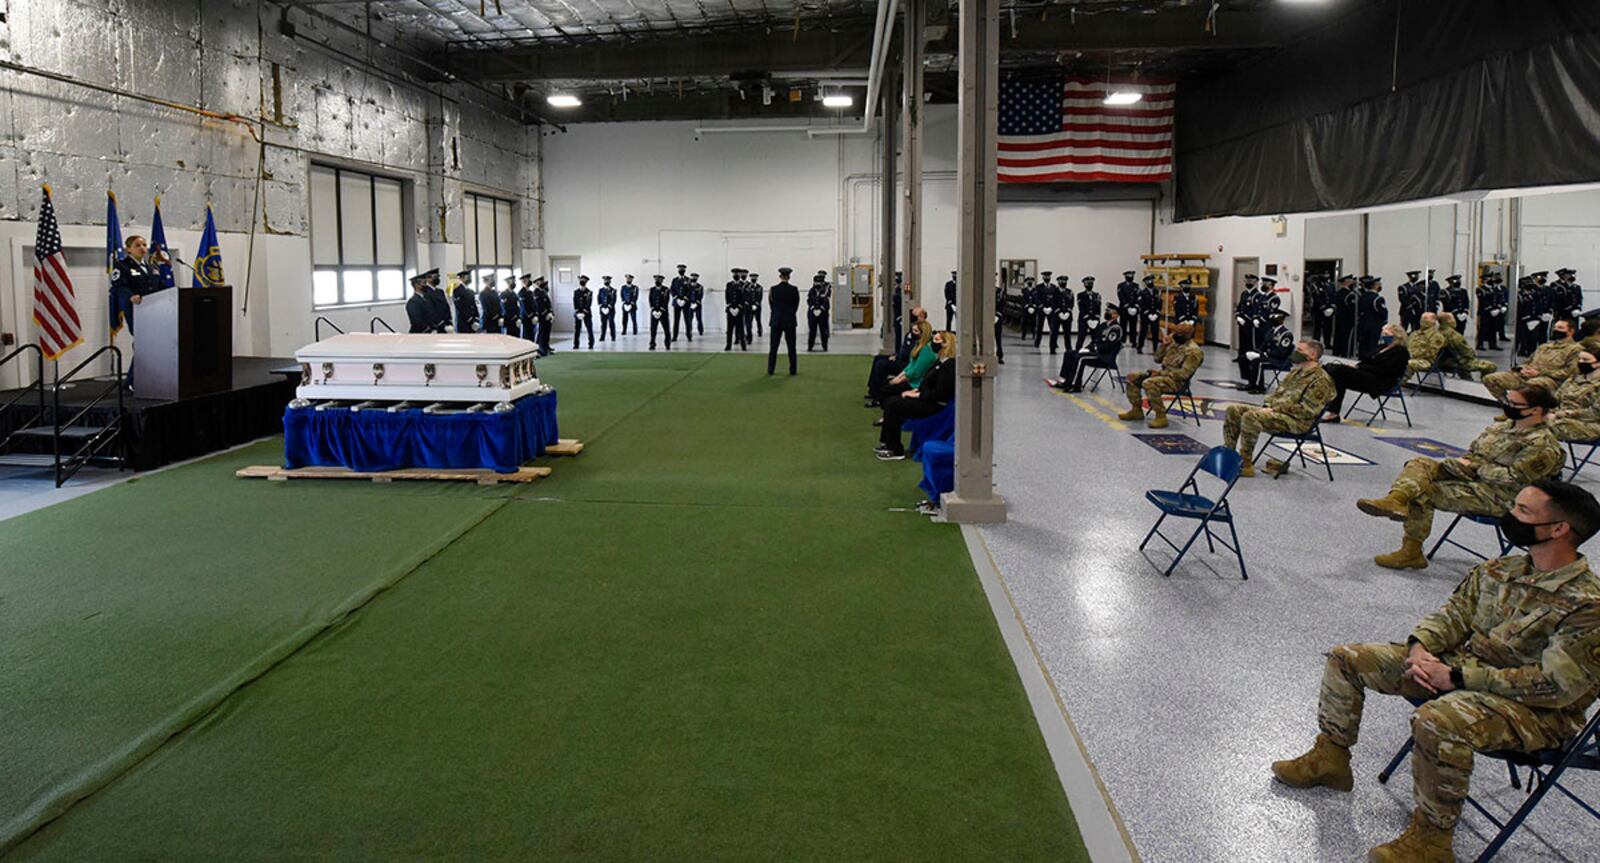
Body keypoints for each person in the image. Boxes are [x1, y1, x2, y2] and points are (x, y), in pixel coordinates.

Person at [1272, 479, 1600, 863]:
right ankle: (1330, 759)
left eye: (1523, 512)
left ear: (1560, 529)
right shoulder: (1502, 569)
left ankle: (1431, 840)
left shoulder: (1587, 605)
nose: (1510, 516)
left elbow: (1556, 687)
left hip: (1538, 714)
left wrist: (1458, 678)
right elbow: (1452, 616)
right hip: (1462, 673)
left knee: (1438, 719)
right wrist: (1420, 649)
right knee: (1348, 658)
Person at [1356, 384, 1565, 569]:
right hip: (1474, 477)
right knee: (1420, 463)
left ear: (1535, 410)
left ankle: (1411, 552)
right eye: (1507, 400)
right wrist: (1467, 464)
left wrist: (1476, 468)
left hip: (1502, 496)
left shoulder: (1542, 444)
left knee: (1423, 492)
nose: (1507, 405)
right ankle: (1395, 500)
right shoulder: (1503, 426)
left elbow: (1514, 478)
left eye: (1514, 403)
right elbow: (1474, 451)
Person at [1221, 339, 1336, 477]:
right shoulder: (1296, 372)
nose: (1295, 353)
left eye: (1300, 350)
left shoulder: (1321, 380)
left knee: (1250, 417)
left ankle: (1245, 464)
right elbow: (1275, 395)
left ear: (1312, 355)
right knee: (1233, 409)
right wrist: (1269, 406)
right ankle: (1229, 453)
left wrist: (1275, 409)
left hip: (1298, 422)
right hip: (1278, 413)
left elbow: (1306, 411)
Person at [876, 331, 956, 461]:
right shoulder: (939, 362)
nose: (932, 343)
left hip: (934, 405)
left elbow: (940, 393)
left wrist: (918, 395)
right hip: (926, 398)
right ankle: (887, 443)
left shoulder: (949, 366)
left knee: (893, 404)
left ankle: (895, 449)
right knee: (891, 401)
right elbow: (927, 382)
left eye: (936, 340)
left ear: (946, 344)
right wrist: (916, 391)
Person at [1117, 322, 1204, 429]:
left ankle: (1161, 416)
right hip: (1163, 376)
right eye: (1175, 332)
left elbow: (1184, 374)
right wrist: (1164, 345)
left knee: (1148, 383)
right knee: (1132, 377)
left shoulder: (1194, 351)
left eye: (1180, 333)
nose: (1176, 334)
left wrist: (1160, 373)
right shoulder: (1174, 344)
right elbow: (1157, 359)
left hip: (1177, 382)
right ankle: (1136, 410)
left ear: (1189, 334)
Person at [1321, 324, 1410, 421]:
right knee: (1338, 377)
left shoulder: (1401, 352)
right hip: (1368, 374)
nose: (1383, 335)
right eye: (1382, 333)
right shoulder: (1382, 347)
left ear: (1396, 335)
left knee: (1338, 371)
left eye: (1386, 333)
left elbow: (1385, 369)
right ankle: (1333, 412)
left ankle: (1330, 409)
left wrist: (1359, 367)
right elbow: (1367, 360)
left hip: (1380, 381)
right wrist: (1357, 366)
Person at [1483, 317, 1582, 401]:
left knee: (1529, 387)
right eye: (1554, 327)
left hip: (1550, 380)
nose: (1555, 330)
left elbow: (1570, 372)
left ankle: (1532, 412)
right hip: (1527, 375)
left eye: (1560, 328)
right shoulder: (1544, 346)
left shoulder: (1575, 350)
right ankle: (1509, 406)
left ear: (1571, 331)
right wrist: (1522, 369)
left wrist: (1540, 373)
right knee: (1491, 379)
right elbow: (1529, 361)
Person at [1050, 306, 1122, 392]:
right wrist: (1086, 348)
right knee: (1069, 353)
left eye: (1110, 312)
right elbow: (1095, 340)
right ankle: (1065, 380)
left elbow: (1108, 347)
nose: (1106, 313)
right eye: (1107, 311)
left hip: (1104, 357)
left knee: (1080, 358)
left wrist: (1094, 348)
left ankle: (1075, 385)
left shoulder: (1116, 329)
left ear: (1116, 315)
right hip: (1096, 352)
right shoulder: (1103, 325)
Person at [872, 321, 936, 404]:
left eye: (916, 331)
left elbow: (916, 372)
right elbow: (910, 365)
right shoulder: (917, 345)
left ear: (922, 333)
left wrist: (900, 380)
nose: (912, 333)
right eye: (912, 330)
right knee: (885, 382)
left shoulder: (926, 350)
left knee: (886, 388)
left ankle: (884, 406)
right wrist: (898, 377)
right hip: (910, 377)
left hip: (915, 383)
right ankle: (875, 395)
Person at [1548, 350, 1600, 442]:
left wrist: (1564, 414)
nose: (1580, 362)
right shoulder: (1574, 379)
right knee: (1528, 421)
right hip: (1561, 417)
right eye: (1579, 359)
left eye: (1585, 360)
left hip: (1590, 424)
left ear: (1598, 363)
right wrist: (1549, 412)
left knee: (1546, 428)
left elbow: (1595, 414)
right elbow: (1555, 399)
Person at [1433, 313, 1496, 379]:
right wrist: (1472, 356)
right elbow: (1467, 352)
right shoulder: (1454, 335)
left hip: (1440, 362)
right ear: (1448, 320)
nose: (1454, 320)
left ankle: (1468, 381)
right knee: (1491, 366)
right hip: (1455, 363)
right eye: (1453, 318)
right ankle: (1485, 384)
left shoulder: (1436, 333)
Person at [767, 267, 800, 376]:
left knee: (773, 347)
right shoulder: (794, 289)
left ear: (780, 276)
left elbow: (771, 305)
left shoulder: (773, 289)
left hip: (776, 321)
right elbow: (796, 305)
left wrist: (777, 313)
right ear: (789, 277)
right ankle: (793, 370)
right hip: (790, 321)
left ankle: (771, 369)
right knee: (791, 347)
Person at [1357, 275, 1389, 357]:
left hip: (1364, 323)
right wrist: (1384, 322)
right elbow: (1383, 312)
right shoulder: (1378, 299)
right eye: (1379, 284)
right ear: (1375, 286)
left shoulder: (1362, 297)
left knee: (1363, 344)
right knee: (1372, 345)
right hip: (1375, 325)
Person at [1334, 274, 1359, 357]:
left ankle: (1337, 352)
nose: (1353, 282)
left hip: (1339, 318)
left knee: (1338, 336)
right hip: (1348, 319)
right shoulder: (1349, 295)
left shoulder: (1339, 292)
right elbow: (1352, 309)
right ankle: (1346, 353)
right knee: (1347, 338)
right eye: (1352, 281)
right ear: (1347, 282)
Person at [1075, 275, 1103, 351]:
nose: (1089, 285)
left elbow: (1098, 307)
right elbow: (1081, 307)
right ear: (1084, 284)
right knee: (1081, 337)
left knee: (1096, 337)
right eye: (1087, 283)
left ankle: (1094, 351)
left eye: (1091, 283)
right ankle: (1077, 351)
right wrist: (1087, 318)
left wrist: (1097, 318)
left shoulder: (1097, 295)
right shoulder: (1080, 295)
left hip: (1094, 319)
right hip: (1084, 319)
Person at [1135, 274, 1161, 353]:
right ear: (1145, 283)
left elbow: (1159, 302)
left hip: (1155, 315)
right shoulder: (1142, 293)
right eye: (1148, 281)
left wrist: (1157, 312)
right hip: (1145, 315)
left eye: (1151, 281)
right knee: (1143, 331)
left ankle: (1155, 348)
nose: (1150, 282)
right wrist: (1147, 313)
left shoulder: (1157, 292)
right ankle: (1139, 347)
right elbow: (1140, 304)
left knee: (1155, 332)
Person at [724, 268, 748, 352]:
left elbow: (744, 297)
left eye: (737, 274)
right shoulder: (729, 284)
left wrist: (739, 307)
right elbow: (727, 296)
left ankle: (743, 345)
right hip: (730, 310)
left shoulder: (743, 285)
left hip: (739, 310)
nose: (736, 275)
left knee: (740, 329)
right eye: (734, 274)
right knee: (729, 329)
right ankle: (728, 345)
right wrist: (730, 307)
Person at [807, 272, 831, 352]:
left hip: (823, 313)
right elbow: (809, 300)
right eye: (816, 282)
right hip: (812, 313)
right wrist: (813, 308)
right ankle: (810, 347)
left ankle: (825, 347)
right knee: (812, 331)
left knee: (823, 331)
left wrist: (821, 309)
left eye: (819, 282)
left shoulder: (825, 290)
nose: (817, 284)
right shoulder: (811, 290)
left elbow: (826, 301)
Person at [647, 274, 672, 350]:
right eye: (656, 280)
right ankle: (652, 343)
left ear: (662, 281)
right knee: (653, 329)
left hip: (663, 312)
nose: (657, 281)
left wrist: (661, 310)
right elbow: (650, 300)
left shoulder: (666, 289)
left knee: (666, 329)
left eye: (659, 280)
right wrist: (653, 309)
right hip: (654, 312)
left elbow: (666, 301)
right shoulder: (652, 289)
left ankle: (667, 344)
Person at [1116, 270, 1139, 347]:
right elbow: (1121, 296)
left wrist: (1135, 306)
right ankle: (1122, 341)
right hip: (1124, 309)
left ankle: (1133, 341)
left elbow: (1138, 296)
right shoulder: (1121, 286)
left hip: (1134, 309)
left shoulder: (1136, 286)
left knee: (1133, 325)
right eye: (1129, 276)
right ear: (1125, 277)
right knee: (1123, 325)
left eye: (1132, 276)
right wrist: (1127, 306)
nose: (1130, 277)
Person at [533, 277, 556, 356]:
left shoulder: (543, 292)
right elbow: (539, 305)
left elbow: (548, 304)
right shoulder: (536, 293)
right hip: (542, 316)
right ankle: (540, 349)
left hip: (547, 316)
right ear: (537, 283)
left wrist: (551, 313)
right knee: (542, 332)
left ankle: (546, 347)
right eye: (541, 281)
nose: (543, 283)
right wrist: (546, 313)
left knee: (547, 332)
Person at [572, 275, 595, 349]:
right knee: (577, 329)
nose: (582, 281)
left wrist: (584, 312)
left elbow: (589, 303)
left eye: (584, 280)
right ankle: (576, 344)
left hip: (587, 313)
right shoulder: (576, 292)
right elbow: (575, 302)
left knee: (589, 329)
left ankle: (591, 344)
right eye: (581, 280)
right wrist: (578, 311)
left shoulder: (589, 292)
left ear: (586, 282)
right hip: (578, 313)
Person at [670, 266, 693, 343]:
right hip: (677, 303)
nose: (681, 270)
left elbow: (690, 290)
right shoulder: (674, 280)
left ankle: (689, 336)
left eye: (682, 269)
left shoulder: (688, 280)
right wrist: (677, 299)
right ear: (678, 270)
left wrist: (685, 299)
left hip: (686, 303)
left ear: (685, 270)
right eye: (680, 269)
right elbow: (672, 290)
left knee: (687, 320)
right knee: (676, 320)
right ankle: (674, 336)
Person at [596, 275, 617, 341]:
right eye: (605, 280)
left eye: (608, 280)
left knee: (611, 323)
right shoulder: (601, 290)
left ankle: (613, 337)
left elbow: (614, 299)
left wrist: (609, 307)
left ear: (610, 281)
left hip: (610, 310)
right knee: (603, 324)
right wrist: (601, 306)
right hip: (602, 309)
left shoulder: (613, 290)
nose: (606, 281)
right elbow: (598, 299)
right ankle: (602, 337)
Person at [747, 271, 763, 341]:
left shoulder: (759, 287)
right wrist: (750, 305)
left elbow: (760, 297)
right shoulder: (747, 287)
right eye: (752, 278)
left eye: (755, 278)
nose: (753, 279)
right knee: (749, 321)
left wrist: (756, 304)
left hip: (757, 307)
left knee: (758, 320)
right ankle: (749, 333)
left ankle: (759, 332)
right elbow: (746, 297)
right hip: (749, 307)